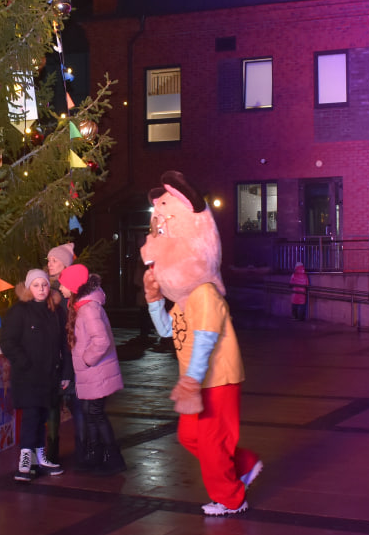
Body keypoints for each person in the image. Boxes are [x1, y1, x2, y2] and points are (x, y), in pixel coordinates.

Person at [142, 170, 262, 516]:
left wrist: (192, 379)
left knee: (211, 442)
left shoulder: (206, 293)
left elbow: (206, 339)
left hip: (217, 380)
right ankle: (244, 464)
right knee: (189, 437)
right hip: (196, 383)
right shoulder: (183, 300)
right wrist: (153, 300)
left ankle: (231, 499)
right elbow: (168, 332)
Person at [0, 268, 65, 481]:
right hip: (27, 375)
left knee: (42, 416)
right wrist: (23, 361)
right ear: (28, 288)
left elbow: (63, 342)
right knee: (31, 416)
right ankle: (25, 459)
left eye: (44, 285)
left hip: (49, 375)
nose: (41, 289)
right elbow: (7, 340)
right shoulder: (20, 311)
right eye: (36, 285)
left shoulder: (55, 310)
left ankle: (39, 457)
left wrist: (63, 371)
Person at [59, 263, 126, 474]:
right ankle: (96, 456)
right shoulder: (82, 305)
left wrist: (86, 360)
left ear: (73, 286)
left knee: (96, 414)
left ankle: (113, 459)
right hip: (93, 373)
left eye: (62, 285)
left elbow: (101, 340)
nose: (60, 289)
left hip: (96, 372)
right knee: (91, 413)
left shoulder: (88, 309)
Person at [45, 243, 78, 464]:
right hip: (57, 356)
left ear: (65, 264)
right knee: (55, 403)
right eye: (48, 260)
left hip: (71, 355)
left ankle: (87, 450)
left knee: (77, 404)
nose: (49, 264)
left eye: (54, 260)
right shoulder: (49, 289)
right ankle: (53, 451)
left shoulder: (68, 291)